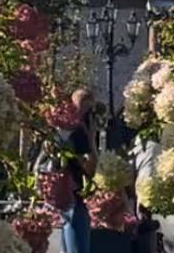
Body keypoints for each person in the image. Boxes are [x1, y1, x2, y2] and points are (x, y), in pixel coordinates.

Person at [62, 88, 97, 253]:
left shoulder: (62, 128)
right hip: (75, 192)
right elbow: (90, 167)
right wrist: (91, 140)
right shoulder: (79, 131)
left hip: (61, 192)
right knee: (79, 244)